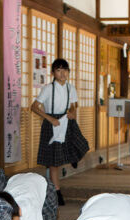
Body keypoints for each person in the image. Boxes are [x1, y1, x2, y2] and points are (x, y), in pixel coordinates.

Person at [31, 58, 89, 206]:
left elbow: (74, 104)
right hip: (53, 123)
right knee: (53, 162)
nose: (62, 73)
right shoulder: (48, 89)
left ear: (68, 72)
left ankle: (73, 157)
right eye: (58, 70)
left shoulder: (71, 88)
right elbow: (34, 106)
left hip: (67, 121)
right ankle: (57, 192)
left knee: (82, 144)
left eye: (65, 70)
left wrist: (72, 112)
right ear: (53, 73)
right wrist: (49, 119)